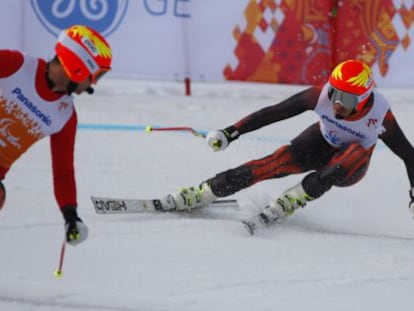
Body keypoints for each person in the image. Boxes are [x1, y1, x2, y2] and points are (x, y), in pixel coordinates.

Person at [160, 59, 414, 234]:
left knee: (350, 156)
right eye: (334, 94)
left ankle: (293, 199)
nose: (336, 104)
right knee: (270, 164)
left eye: (345, 99)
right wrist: (231, 132)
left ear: (363, 98)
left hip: (349, 166)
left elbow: (409, 155)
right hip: (320, 143)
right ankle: (205, 191)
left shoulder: (381, 116)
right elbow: (274, 113)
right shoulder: (320, 95)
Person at [0, 25, 112, 244]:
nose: (93, 85)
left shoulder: (65, 116)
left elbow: (63, 173)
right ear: (78, 67)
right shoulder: (16, 65)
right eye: (96, 75)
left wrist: (70, 216)